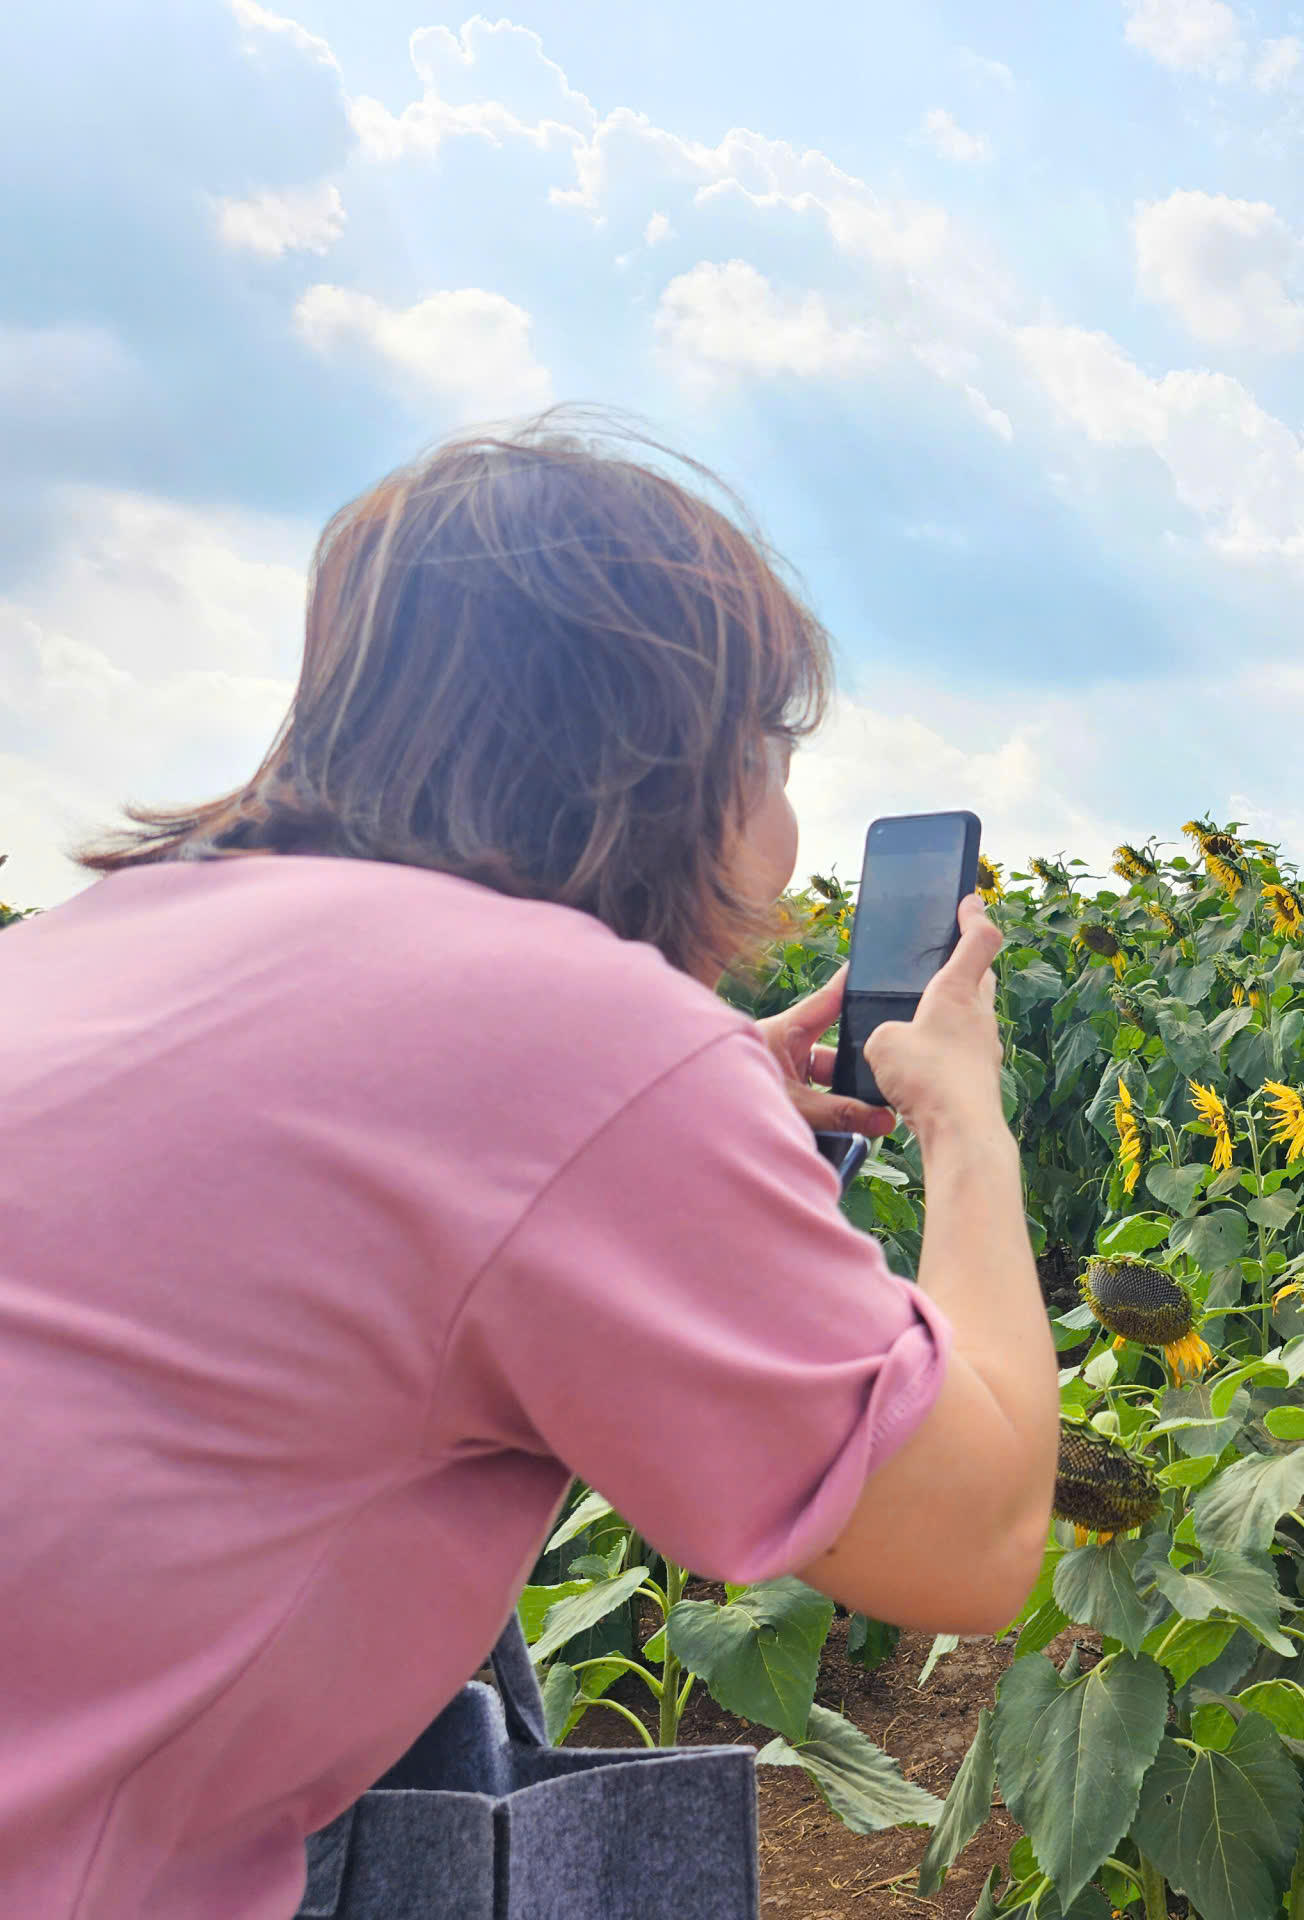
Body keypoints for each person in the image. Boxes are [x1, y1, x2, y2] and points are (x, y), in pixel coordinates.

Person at [0, 421, 1059, 1918]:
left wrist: (661, 1111)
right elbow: (977, 1537)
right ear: (682, 754)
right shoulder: (569, 1040)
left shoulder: (85, 946)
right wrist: (965, 1124)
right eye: (774, 749)